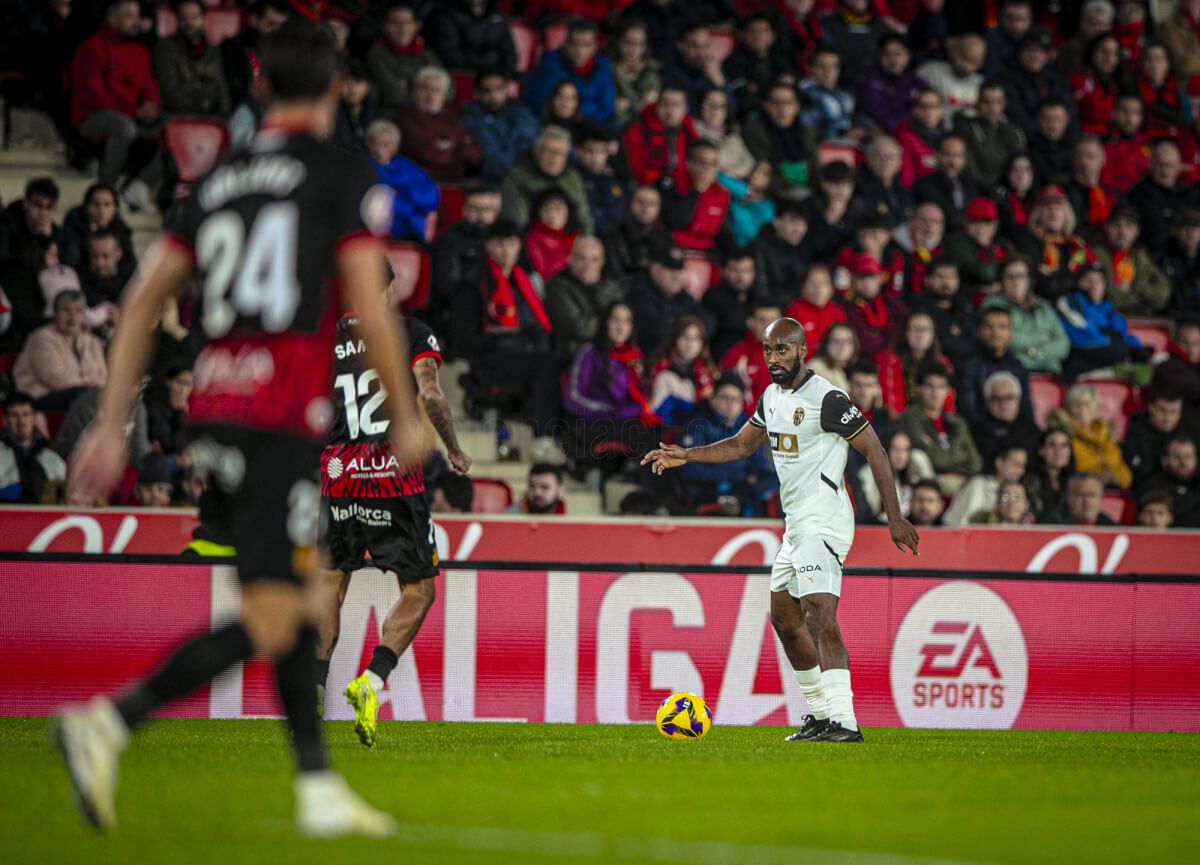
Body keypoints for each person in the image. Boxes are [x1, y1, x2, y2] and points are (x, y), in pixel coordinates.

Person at [53, 18, 420, 836]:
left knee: (282, 597)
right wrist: (404, 418)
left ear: (258, 88)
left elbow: (144, 300)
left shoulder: (214, 179)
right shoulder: (336, 173)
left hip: (214, 409)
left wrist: (113, 421)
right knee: (274, 614)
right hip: (280, 415)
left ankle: (318, 787)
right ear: (334, 90)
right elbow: (367, 301)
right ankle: (110, 720)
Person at [642, 316, 919, 743]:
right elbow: (739, 445)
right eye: (769, 350)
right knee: (786, 619)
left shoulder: (827, 398)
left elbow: (875, 449)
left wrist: (894, 516)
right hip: (796, 524)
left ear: (802, 350)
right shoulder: (770, 397)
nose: (774, 358)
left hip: (824, 519)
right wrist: (687, 454)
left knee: (819, 615)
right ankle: (822, 715)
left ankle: (844, 721)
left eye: (783, 349)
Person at [313, 297, 470, 745]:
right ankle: (372, 681)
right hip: (392, 473)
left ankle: (313, 688)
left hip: (338, 473)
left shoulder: (325, 336)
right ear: (384, 292)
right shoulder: (410, 332)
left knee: (331, 580)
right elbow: (432, 393)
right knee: (420, 589)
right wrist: (453, 450)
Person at [453, 219, 563, 455]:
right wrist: (505, 341)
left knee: (566, 362)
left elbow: (540, 326)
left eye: (512, 243)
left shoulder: (524, 282)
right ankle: (542, 438)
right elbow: (463, 339)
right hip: (490, 359)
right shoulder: (475, 284)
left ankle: (569, 444)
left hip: (526, 354)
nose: (506, 250)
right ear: (489, 246)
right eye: (500, 243)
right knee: (547, 365)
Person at [69, 0, 162, 200]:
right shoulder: (92, 48)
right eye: (129, 16)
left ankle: (138, 186)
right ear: (112, 18)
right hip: (92, 116)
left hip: (132, 114)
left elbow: (149, 87)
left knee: (170, 129)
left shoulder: (141, 52)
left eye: (137, 16)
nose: (135, 22)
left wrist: (151, 105)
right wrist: (133, 111)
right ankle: (106, 189)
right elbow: (93, 96)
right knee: (124, 127)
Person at [563, 301, 661, 459]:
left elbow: (642, 396)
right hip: (593, 421)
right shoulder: (589, 353)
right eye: (615, 319)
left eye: (627, 321)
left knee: (659, 432)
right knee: (641, 434)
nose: (620, 326)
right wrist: (610, 411)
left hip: (625, 420)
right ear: (605, 323)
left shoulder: (635, 357)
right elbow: (573, 398)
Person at [679, 372, 777, 515]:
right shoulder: (697, 425)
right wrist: (739, 475)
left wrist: (752, 476)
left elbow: (759, 467)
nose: (730, 404)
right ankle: (732, 503)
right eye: (725, 397)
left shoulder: (749, 428)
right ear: (713, 398)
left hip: (741, 489)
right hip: (708, 490)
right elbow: (690, 469)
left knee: (778, 479)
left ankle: (737, 501)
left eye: (736, 399)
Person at [893, 361, 983, 492]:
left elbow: (976, 463)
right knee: (917, 457)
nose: (935, 393)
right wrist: (957, 461)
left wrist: (955, 474)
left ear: (948, 391)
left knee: (983, 485)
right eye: (930, 386)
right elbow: (934, 458)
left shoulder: (957, 422)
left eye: (941, 387)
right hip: (926, 483)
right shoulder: (910, 417)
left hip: (959, 482)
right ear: (919, 388)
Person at [13, 289, 106, 410]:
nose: (72, 315)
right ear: (55, 313)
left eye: (78, 311)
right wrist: (90, 386)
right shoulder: (42, 338)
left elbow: (103, 374)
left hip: (83, 393)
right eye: (66, 310)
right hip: (42, 397)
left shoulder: (91, 340)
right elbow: (57, 379)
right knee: (84, 396)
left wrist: (97, 388)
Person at [396, 66, 483, 184]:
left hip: (456, 181)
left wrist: (451, 145)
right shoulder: (405, 118)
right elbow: (429, 154)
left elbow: (476, 156)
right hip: (419, 182)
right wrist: (457, 144)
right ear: (415, 90)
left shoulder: (453, 116)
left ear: (445, 95)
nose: (430, 96)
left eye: (437, 90)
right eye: (425, 89)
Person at [522, 17, 615, 126]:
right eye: (574, 44)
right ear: (565, 44)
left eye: (586, 45)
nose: (579, 51)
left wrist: (576, 113)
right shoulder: (550, 64)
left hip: (589, 126)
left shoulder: (603, 67)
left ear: (595, 47)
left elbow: (608, 108)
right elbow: (546, 106)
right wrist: (587, 109)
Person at [1057, 264, 1143, 380]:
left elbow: (1123, 335)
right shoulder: (1069, 302)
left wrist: (1136, 348)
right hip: (1080, 362)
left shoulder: (1109, 308)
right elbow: (1082, 338)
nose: (1094, 285)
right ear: (1079, 282)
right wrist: (1116, 342)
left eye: (1099, 280)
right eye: (1088, 280)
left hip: (1108, 359)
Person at [627, 242, 715, 355]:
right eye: (670, 269)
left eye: (679, 270)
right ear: (654, 270)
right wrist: (687, 325)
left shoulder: (683, 296)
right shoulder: (639, 294)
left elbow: (709, 325)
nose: (676, 275)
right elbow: (657, 331)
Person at [500, 126, 593, 233]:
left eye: (560, 153)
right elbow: (517, 222)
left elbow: (584, 218)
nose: (554, 158)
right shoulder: (517, 177)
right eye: (549, 151)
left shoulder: (572, 178)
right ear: (537, 152)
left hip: (569, 241)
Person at [460, 68, 541, 187]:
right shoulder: (470, 120)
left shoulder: (523, 114)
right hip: (489, 184)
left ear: (507, 90)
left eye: (498, 89)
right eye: (487, 91)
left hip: (529, 178)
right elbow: (491, 159)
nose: (494, 95)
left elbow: (536, 144)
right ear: (476, 94)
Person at [1017, 185, 1096, 304]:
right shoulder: (1029, 244)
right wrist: (1075, 282)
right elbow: (1044, 287)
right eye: (1047, 206)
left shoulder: (1077, 245)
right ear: (1038, 213)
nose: (1053, 211)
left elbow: (1092, 278)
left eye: (1058, 206)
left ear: (1066, 213)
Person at [545, 236, 621, 359]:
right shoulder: (558, 287)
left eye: (594, 260)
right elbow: (580, 327)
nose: (588, 265)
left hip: (610, 353)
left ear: (602, 262)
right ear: (571, 260)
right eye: (582, 259)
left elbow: (623, 320)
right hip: (574, 356)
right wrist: (613, 325)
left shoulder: (610, 286)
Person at [363, 120, 439, 242]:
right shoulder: (360, 166)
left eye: (385, 144)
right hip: (372, 231)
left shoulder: (408, 168)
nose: (379, 150)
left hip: (410, 231)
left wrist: (403, 196)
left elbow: (430, 198)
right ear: (368, 144)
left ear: (395, 146)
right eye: (374, 144)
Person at [955, 307, 1033, 425]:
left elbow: (1026, 410)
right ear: (980, 331)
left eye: (1002, 327)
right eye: (989, 327)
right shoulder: (968, 365)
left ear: (1011, 333)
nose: (996, 333)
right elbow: (967, 411)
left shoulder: (1018, 366)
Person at [153, 0, 231, 118]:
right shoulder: (165, 48)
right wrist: (205, 100)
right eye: (184, 18)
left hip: (213, 116)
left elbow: (221, 89)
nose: (189, 23)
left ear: (203, 19)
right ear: (178, 20)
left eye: (195, 17)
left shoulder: (213, 51)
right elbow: (170, 95)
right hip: (178, 115)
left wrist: (222, 115)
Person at [1127, 140, 1200, 261]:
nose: (1165, 171)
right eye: (1161, 165)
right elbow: (1157, 235)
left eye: (1170, 165)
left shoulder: (1186, 192)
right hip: (1155, 258)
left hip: (1185, 256)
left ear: (1178, 167)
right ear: (1151, 165)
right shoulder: (1139, 193)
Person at [1092, 207, 1171, 318]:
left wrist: (1135, 288)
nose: (1122, 232)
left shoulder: (1141, 257)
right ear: (1107, 228)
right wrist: (1143, 303)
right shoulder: (1095, 256)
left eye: (1129, 226)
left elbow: (1162, 296)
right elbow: (1112, 300)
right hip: (1105, 320)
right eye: (1116, 226)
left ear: (1137, 231)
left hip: (1139, 322)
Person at [1054, 383, 1132, 490]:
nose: (1082, 410)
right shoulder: (1065, 436)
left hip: (1115, 487)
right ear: (1068, 409)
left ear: (1095, 408)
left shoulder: (1107, 434)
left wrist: (1117, 477)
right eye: (1076, 405)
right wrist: (1097, 478)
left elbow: (1124, 472)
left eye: (1086, 404)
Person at [876, 311, 953, 420]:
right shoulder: (891, 360)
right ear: (906, 332)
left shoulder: (943, 363)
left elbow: (947, 403)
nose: (920, 335)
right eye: (916, 329)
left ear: (933, 334)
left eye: (926, 330)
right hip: (901, 424)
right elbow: (892, 405)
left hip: (934, 425)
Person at [954, 80, 1027, 193]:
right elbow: (969, 170)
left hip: (1007, 190)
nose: (992, 108)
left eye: (998, 102)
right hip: (976, 190)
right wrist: (994, 187)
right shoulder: (965, 128)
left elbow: (1020, 158)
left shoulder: (1012, 130)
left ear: (1004, 104)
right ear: (978, 103)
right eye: (986, 102)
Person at [1000, 29, 1074, 139]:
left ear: (1047, 55)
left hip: (1059, 140)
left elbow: (1070, 112)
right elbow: (1017, 116)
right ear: (1020, 52)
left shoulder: (1056, 79)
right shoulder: (1008, 80)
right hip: (1028, 141)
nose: (1034, 55)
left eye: (1040, 51)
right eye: (1029, 50)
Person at [366, 1, 440, 111]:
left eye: (407, 23)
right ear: (385, 27)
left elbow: (449, 90)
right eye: (396, 23)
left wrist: (406, 84)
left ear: (416, 26)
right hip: (394, 114)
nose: (402, 29)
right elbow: (394, 94)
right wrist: (428, 92)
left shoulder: (426, 54)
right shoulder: (377, 55)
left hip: (429, 114)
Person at [743, 81, 815, 193]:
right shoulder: (755, 129)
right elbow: (762, 162)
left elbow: (815, 165)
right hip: (771, 189)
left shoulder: (807, 132)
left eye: (788, 102)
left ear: (796, 106)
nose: (782, 108)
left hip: (806, 189)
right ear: (766, 105)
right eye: (776, 103)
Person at [661, 139, 731, 254]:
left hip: (705, 252)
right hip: (673, 247)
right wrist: (696, 192)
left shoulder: (722, 194)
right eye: (702, 163)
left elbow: (720, 233)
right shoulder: (672, 183)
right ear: (688, 163)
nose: (708, 169)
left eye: (713, 164)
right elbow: (675, 222)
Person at [622, 86, 698, 188]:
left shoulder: (690, 133)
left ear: (685, 109)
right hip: (647, 191)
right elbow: (637, 172)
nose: (670, 111)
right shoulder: (637, 131)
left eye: (676, 105)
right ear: (656, 106)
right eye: (665, 104)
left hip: (681, 194)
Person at [1124, 384, 1195, 491]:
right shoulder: (1136, 430)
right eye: (1162, 410)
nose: (1167, 417)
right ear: (1151, 407)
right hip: (1148, 491)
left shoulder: (1190, 431)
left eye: (1173, 412)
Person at [648, 316, 716, 426]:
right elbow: (654, 410)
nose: (690, 343)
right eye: (685, 337)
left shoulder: (708, 371)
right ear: (675, 339)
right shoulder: (662, 371)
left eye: (696, 338)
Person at [855, 428, 934, 523]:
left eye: (906, 450)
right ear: (885, 449)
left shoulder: (912, 472)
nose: (901, 456)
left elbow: (931, 488)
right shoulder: (868, 473)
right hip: (876, 525)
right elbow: (866, 512)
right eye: (896, 449)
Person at [855, 33, 927, 136]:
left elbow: (929, 109)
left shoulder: (917, 81)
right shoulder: (869, 81)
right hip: (879, 136)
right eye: (887, 54)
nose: (893, 59)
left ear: (908, 56)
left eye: (898, 54)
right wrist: (913, 115)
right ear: (879, 56)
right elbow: (881, 119)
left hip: (913, 133)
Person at [723, 14, 791, 122]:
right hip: (749, 117)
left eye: (763, 31)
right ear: (743, 35)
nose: (758, 36)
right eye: (752, 31)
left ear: (772, 36)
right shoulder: (733, 62)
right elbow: (742, 97)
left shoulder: (781, 61)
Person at [0, 391, 66, 502]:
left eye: (26, 414)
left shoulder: (52, 458)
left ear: (34, 418)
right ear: (5, 420)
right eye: (14, 416)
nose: (21, 421)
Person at [719, 300, 783, 415]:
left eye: (774, 321)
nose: (769, 326)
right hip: (747, 424)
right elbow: (726, 395)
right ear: (750, 322)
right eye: (762, 320)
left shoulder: (792, 355)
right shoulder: (736, 356)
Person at [942, 443, 1028, 526]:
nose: (1021, 471)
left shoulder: (1019, 490)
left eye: (1023, 466)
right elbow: (955, 521)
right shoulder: (978, 486)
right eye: (1017, 465)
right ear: (999, 462)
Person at [423, 0, 516, 78]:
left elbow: (509, 52)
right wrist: (486, 68)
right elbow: (450, 56)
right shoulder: (444, 14)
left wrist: (504, 74)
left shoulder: (496, 13)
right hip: (463, 76)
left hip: (495, 76)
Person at [601, 185, 672, 282]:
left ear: (658, 209)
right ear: (630, 204)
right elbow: (614, 275)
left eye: (652, 204)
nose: (645, 208)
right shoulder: (612, 236)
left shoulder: (665, 239)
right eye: (640, 202)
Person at [969, 370, 1041, 466]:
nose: (1003, 404)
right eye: (996, 398)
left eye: (1009, 397)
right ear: (987, 402)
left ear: (1018, 400)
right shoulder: (975, 432)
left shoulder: (1032, 431)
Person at [705, 252, 770, 357]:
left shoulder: (760, 298)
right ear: (725, 271)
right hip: (724, 355)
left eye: (746, 271)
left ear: (754, 273)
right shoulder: (713, 297)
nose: (740, 276)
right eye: (735, 270)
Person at [663, 21, 733, 116]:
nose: (702, 53)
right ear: (681, 46)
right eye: (695, 46)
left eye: (705, 46)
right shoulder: (669, 73)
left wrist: (721, 85)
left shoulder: (714, 73)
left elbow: (731, 111)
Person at [750, 199, 811, 300]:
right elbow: (761, 290)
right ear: (777, 222)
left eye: (803, 223)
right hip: (768, 308)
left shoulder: (804, 249)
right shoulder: (760, 248)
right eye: (793, 222)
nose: (799, 229)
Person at [576, 124, 629, 236]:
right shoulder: (574, 179)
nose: (595, 157)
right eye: (590, 151)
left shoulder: (617, 179)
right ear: (579, 151)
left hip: (616, 238)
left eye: (601, 151)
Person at [917, 33, 986, 119]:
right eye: (964, 58)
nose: (967, 67)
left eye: (974, 62)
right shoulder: (930, 72)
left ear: (981, 63)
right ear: (954, 51)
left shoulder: (982, 85)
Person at [786, 265, 846, 362]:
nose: (818, 288)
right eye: (813, 283)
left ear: (831, 289)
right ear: (803, 287)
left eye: (824, 283)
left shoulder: (837, 311)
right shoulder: (795, 310)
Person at [798, 47, 858, 143]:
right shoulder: (803, 95)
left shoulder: (845, 96)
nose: (828, 72)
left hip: (847, 148)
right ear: (811, 68)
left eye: (834, 67)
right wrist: (841, 133)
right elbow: (806, 130)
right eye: (822, 66)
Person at [608, 18, 661, 126]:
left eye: (640, 44)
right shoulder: (608, 69)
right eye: (628, 43)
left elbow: (653, 110)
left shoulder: (653, 69)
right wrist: (642, 102)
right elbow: (612, 110)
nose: (633, 50)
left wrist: (628, 105)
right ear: (618, 42)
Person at [1069, 31, 1122, 136]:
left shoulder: (1119, 84)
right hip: (1082, 138)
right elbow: (1092, 112)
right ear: (1092, 52)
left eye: (1114, 53)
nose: (1109, 58)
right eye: (1104, 52)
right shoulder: (1077, 79)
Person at [523, 187, 582, 281]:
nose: (552, 214)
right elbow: (543, 275)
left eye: (558, 208)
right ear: (537, 212)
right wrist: (569, 259)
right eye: (546, 208)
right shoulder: (533, 238)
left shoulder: (577, 236)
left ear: (569, 212)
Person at [1064, 136, 1116, 241]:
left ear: (1103, 158)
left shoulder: (1111, 193)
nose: (1084, 162)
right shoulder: (1065, 192)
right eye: (1079, 157)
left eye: (1090, 156)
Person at [0, 176, 61, 263]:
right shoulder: (7, 224)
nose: (43, 213)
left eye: (49, 207)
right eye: (38, 205)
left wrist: (48, 240)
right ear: (25, 203)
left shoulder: (55, 233)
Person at [855, 135, 911, 228]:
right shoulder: (858, 188)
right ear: (868, 159)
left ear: (900, 163)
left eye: (891, 157)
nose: (885, 161)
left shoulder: (904, 192)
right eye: (879, 156)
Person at [895, 87, 945, 190]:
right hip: (918, 195)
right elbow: (906, 179)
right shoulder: (904, 136)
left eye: (933, 106)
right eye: (923, 107)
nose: (928, 111)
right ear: (914, 110)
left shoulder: (948, 136)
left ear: (941, 110)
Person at [1102, 95, 1151, 194]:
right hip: (1115, 199)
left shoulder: (1148, 144)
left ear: (1141, 117)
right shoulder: (1104, 144)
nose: (1130, 118)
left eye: (1135, 113)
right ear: (1114, 113)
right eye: (1124, 111)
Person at [1025, 427, 1075, 519]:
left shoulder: (1076, 482)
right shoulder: (1029, 481)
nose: (1058, 451)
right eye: (1052, 445)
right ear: (1041, 451)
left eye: (1064, 445)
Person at [332, 59, 379, 154]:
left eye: (358, 81)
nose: (352, 88)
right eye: (346, 82)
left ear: (368, 86)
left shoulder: (378, 115)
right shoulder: (330, 115)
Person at [1028, 98, 1077, 189]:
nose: (1053, 125)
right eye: (1047, 120)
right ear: (1038, 120)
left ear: (1067, 119)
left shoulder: (1077, 145)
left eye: (1058, 119)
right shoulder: (1030, 146)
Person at [1163, 208, 1200, 316]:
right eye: (1185, 227)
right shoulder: (1164, 258)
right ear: (1175, 231)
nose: (1190, 233)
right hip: (1171, 315)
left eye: (1195, 227)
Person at [1044, 472, 1115, 525]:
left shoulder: (1114, 528)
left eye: (1092, 495)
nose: (1087, 501)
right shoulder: (1051, 526)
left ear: (1101, 497)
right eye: (1081, 495)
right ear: (1068, 498)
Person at [807, 322, 859, 394]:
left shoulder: (840, 370)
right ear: (826, 344)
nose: (842, 346)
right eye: (836, 341)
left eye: (847, 341)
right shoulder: (815, 368)